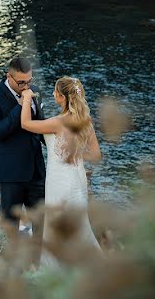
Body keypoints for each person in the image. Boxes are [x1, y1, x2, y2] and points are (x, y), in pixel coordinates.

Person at [20, 76, 102, 267]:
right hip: (78, 178)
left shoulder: (57, 122)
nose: (53, 94)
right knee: (79, 222)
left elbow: (25, 124)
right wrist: (77, 155)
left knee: (57, 223)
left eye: (56, 92)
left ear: (63, 97)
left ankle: (58, 270)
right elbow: (96, 155)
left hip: (59, 181)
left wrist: (26, 97)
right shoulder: (85, 121)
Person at [0, 56, 46, 235]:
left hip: (36, 172)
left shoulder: (35, 91)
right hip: (9, 175)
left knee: (42, 225)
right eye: (21, 82)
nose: (26, 87)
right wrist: (21, 106)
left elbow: (40, 126)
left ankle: (40, 262)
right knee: (11, 229)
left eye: (29, 81)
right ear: (9, 76)